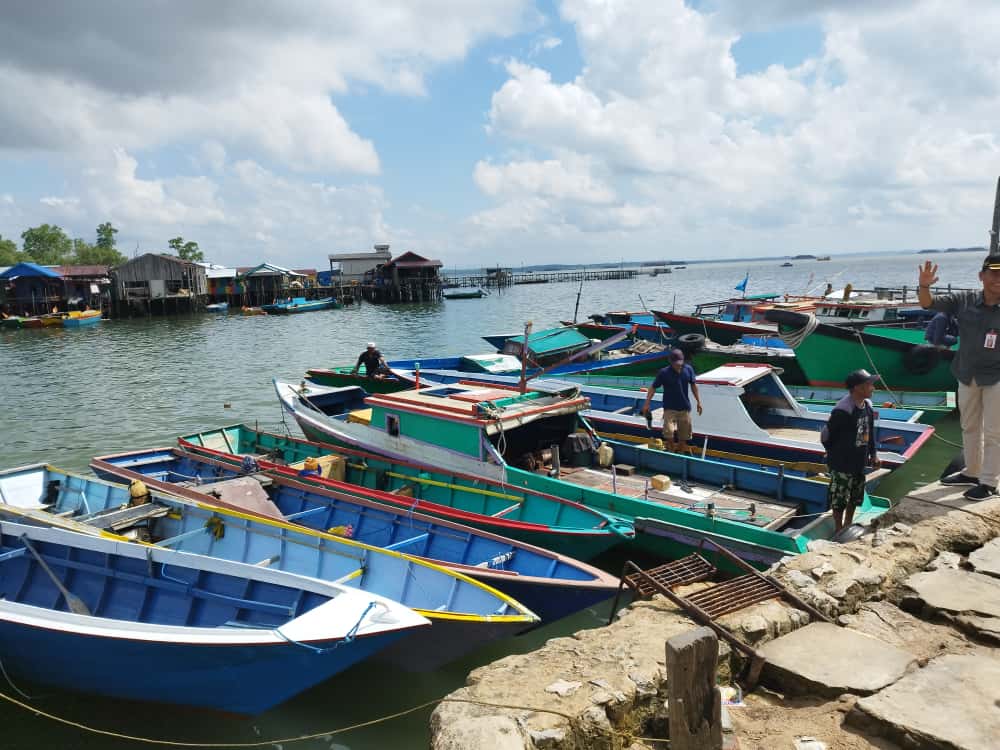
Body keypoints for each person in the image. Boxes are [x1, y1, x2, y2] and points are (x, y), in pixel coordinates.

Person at [919, 255, 1000, 499]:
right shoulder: (964, 300)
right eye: (993, 272)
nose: (998, 278)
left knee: (995, 431)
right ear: (981, 276)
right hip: (966, 374)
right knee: (969, 426)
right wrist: (924, 286)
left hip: (997, 376)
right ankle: (972, 471)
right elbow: (928, 303)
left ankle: (988, 483)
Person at [820, 369, 881, 533]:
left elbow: (869, 431)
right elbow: (826, 436)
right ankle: (838, 528)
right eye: (870, 385)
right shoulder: (843, 410)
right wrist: (833, 454)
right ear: (858, 388)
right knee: (839, 498)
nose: (873, 388)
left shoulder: (867, 406)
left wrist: (873, 454)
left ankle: (848, 523)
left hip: (859, 460)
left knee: (855, 495)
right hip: (841, 463)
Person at [641, 348, 702, 455]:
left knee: (684, 434)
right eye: (676, 363)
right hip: (669, 408)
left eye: (680, 363)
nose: (678, 365)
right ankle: (671, 450)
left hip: (684, 407)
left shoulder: (688, 369)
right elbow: (653, 388)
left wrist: (698, 402)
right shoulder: (664, 373)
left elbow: (693, 385)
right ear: (671, 362)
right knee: (668, 432)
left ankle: (680, 451)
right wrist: (646, 404)